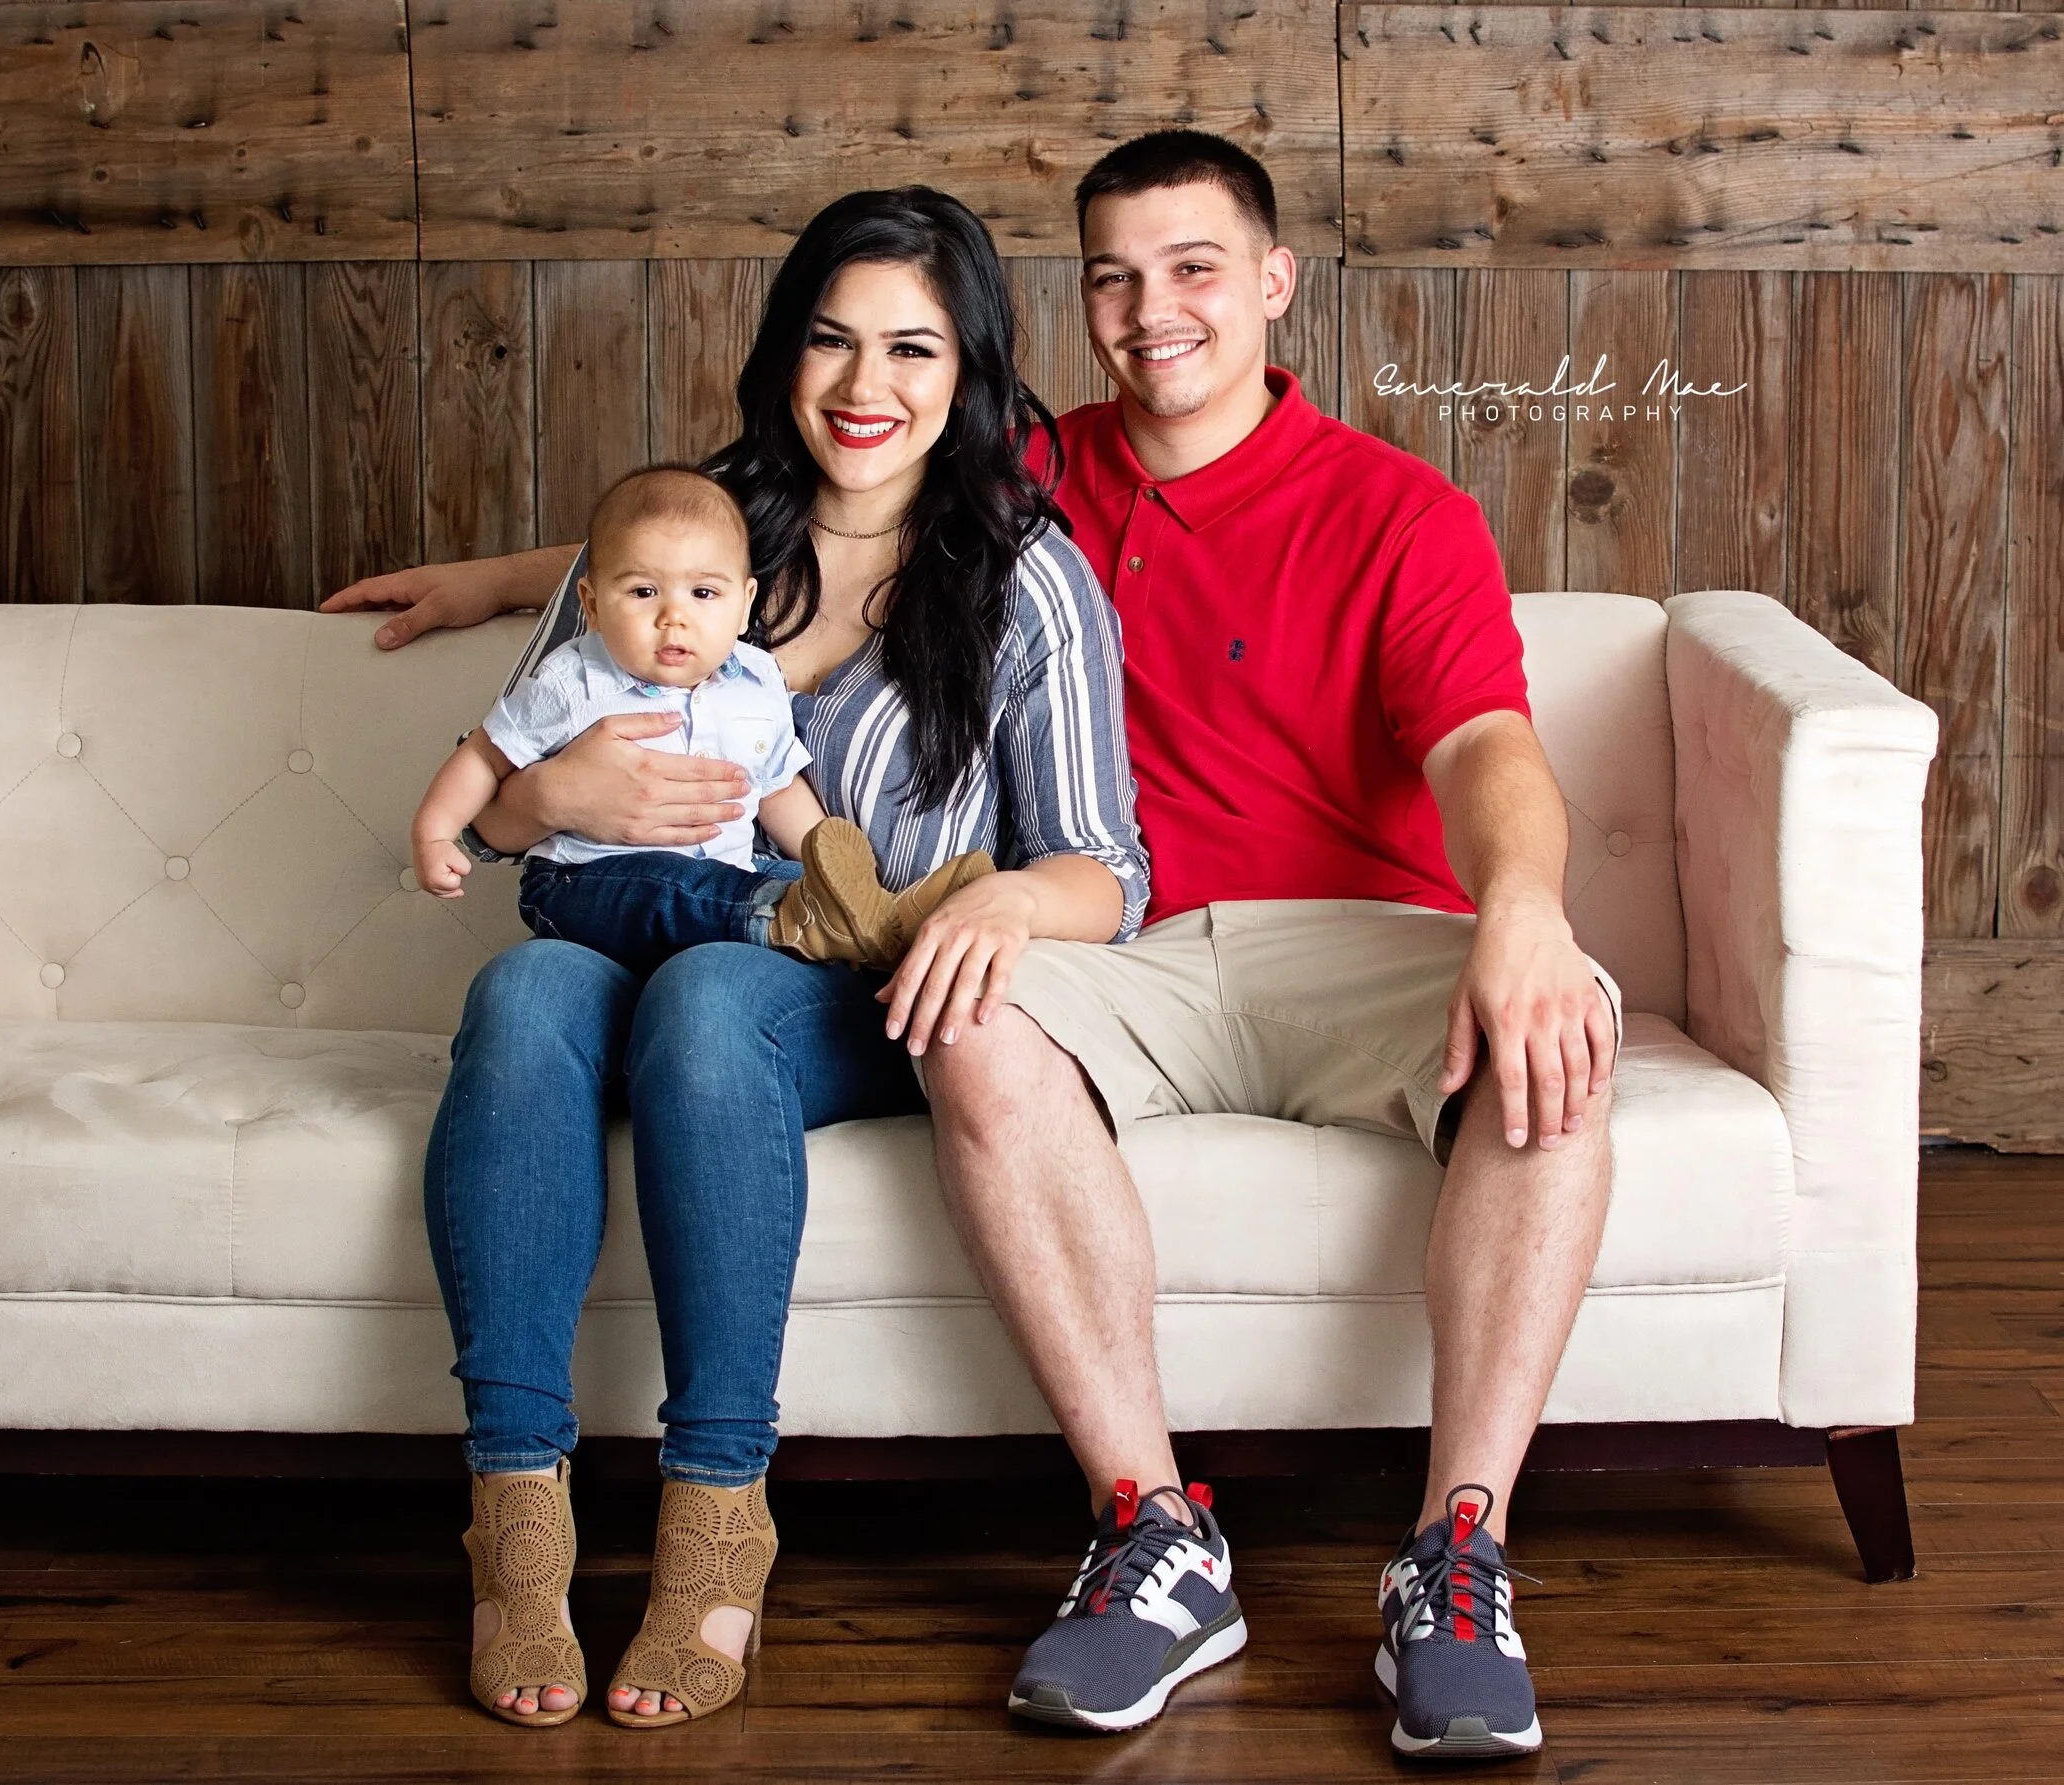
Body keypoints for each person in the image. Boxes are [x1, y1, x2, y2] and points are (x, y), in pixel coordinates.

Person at [329, 187, 1147, 1731]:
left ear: (970, 371)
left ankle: (718, 1516)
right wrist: (544, 802)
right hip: (611, 942)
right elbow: (501, 794)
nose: (865, 385)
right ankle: (514, 1524)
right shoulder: (684, 530)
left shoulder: (1024, 574)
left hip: (846, 988)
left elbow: (1110, 867)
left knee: (713, 1000)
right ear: (783, 355)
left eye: (912, 349)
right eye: (831, 341)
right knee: (519, 990)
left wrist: (1004, 908)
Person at [917, 133, 1623, 1756]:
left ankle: (1458, 1558)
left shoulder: (1397, 509)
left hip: (1362, 943)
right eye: (1113, 276)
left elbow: (1485, 748)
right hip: (1133, 952)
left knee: (1563, 1022)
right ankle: (1157, 1539)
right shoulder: (1027, 476)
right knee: (967, 1019)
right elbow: (790, 533)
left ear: (1274, 282)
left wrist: (1525, 910)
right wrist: (527, 586)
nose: (1150, 309)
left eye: (1193, 268)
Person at [411, 464, 994, 973]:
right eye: (643, 592)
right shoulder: (574, 679)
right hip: (586, 888)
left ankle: (886, 917)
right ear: (591, 604)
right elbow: (484, 755)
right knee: (674, 885)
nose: (674, 617)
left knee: (789, 885)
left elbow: (776, 788)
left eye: (704, 594)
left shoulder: (756, 682)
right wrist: (434, 833)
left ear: (745, 605)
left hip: (721, 888)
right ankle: (796, 920)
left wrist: (839, 868)